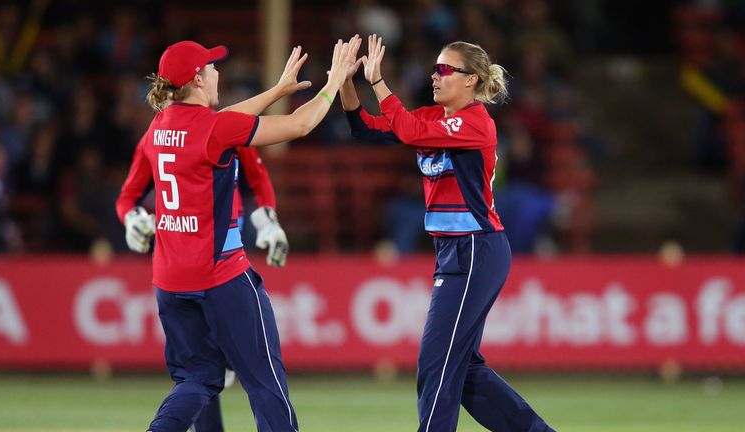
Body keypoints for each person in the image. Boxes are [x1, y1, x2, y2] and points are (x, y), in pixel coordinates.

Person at [115, 38, 353, 432]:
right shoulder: (213, 129)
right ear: (197, 79)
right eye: (210, 67)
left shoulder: (160, 125)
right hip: (222, 277)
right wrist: (336, 81)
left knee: (197, 380)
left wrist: (276, 91)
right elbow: (301, 124)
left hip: (170, 282)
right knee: (265, 382)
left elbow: (223, 120)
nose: (216, 71)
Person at [340, 35, 555, 432]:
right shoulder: (431, 119)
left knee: (437, 362)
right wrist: (345, 82)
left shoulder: (476, 124)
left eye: (444, 70)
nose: (434, 77)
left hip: (476, 250)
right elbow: (366, 129)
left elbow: (404, 129)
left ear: (471, 80)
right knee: (464, 369)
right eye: (434, 69)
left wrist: (378, 82)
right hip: (456, 252)